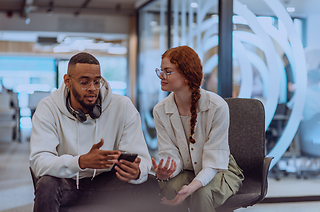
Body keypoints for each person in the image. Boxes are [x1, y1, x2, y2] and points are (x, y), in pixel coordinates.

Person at [29, 52, 158, 212]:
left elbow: (142, 159)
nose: (92, 89)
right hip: (67, 182)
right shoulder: (48, 108)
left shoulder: (122, 106)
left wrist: (137, 171)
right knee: (47, 184)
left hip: (109, 183)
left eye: (97, 82)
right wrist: (80, 162)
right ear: (67, 81)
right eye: (84, 82)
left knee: (151, 184)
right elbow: (39, 162)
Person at [151, 46, 244, 212]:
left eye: (168, 72)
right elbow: (171, 156)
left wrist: (192, 187)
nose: (161, 76)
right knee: (171, 189)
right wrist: (167, 172)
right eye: (161, 70)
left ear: (187, 75)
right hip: (187, 169)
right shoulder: (160, 110)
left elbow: (213, 163)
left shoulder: (217, 106)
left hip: (219, 169)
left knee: (201, 194)